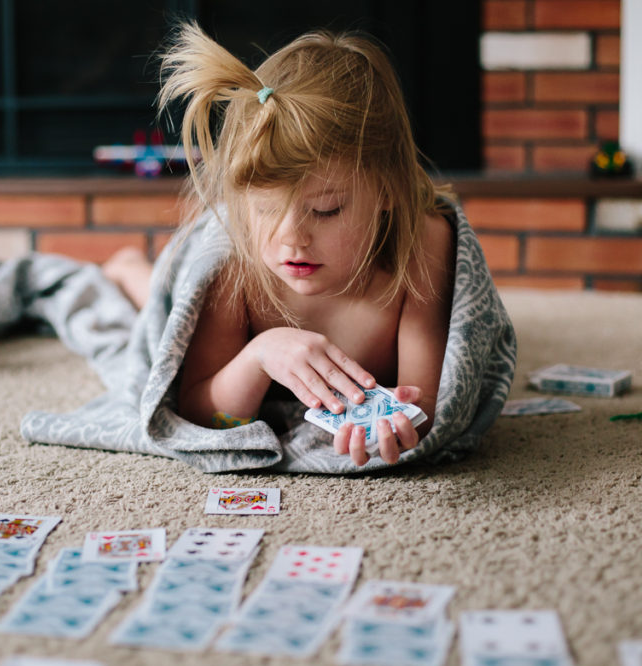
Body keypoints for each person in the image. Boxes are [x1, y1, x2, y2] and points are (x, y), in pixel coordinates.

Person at [104, 22, 457, 467]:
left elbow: (429, 405)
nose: (291, 238)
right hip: (215, 275)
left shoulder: (422, 242)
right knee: (157, 305)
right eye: (267, 209)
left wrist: (402, 425)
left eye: (326, 210)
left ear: (388, 190)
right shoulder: (238, 255)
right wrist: (258, 356)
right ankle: (129, 267)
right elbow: (200, 416)